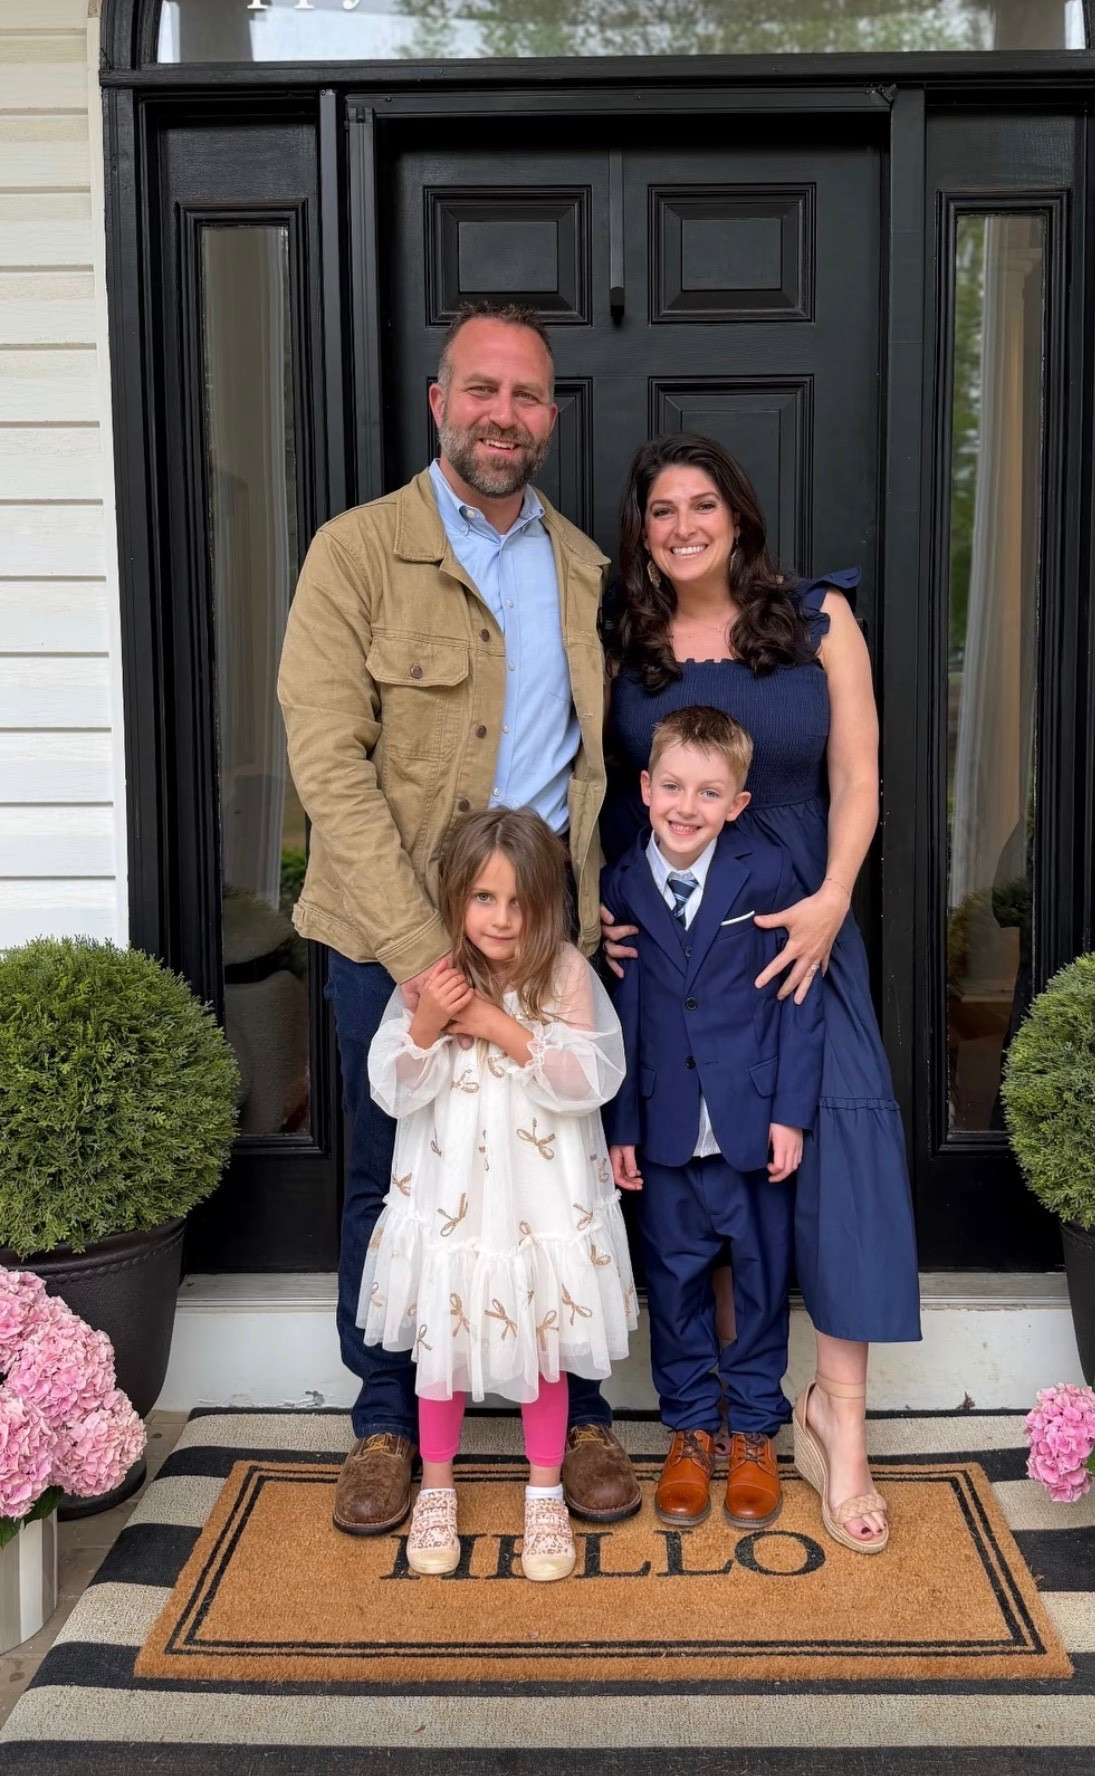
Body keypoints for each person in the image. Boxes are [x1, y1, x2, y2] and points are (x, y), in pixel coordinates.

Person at [278, 299, 640, 1539]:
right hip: (389, 940)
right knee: (394, 1180)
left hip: (545, 945)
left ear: (550, 418)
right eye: (480, 389)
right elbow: (329, 768)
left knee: (565, 1172)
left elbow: (600, 767)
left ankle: (581, 1416)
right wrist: (424, 959)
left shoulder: (584, 568)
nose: (503, 413)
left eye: (527, 395)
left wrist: (600, 915)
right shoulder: (356, 553)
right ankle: (385, 1423)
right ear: (440, 403)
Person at [601, 433, 922, 1555]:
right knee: (707, 1173)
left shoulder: (819, 619)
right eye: (661, 510)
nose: (683, 526)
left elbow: (860, 775)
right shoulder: (625, 637)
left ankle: (841, 1420)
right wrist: (594, 908)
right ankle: (731, 1421)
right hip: (677, 937)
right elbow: (598, 785)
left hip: (800, 927)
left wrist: (833, 900)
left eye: (703, 504)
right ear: (642, 533)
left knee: (837, 1150)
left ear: (738, 515)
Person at [360, 808, 636, 1581]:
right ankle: (436, 1486)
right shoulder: (434, 977)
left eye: (520, 901)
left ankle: (544, 1490)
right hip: (454, 1203)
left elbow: (587, 1080)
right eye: (485, 898)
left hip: (540, 1206)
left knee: (542, 1337)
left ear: (548, 903)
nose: (503, 918)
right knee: (441, 1346)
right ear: (456, 897)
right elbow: (393, 1090)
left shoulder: (564, 973)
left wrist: (492, 1023)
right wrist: (430, 1023)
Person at [602, 707, 823, 1530]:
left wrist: (791, 1113)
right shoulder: (620, 883)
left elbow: (799, 997)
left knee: (761, 1282)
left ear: (738, 803)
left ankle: (756, 1431)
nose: (686, 806)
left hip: (751, 1122)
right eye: (672, 787)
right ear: (644, 788)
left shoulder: (768, 872)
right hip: (663, 1130)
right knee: (674, 1283)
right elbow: (620, 1017)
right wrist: (621, 1126)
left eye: (708, 792)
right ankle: (691, 1430)